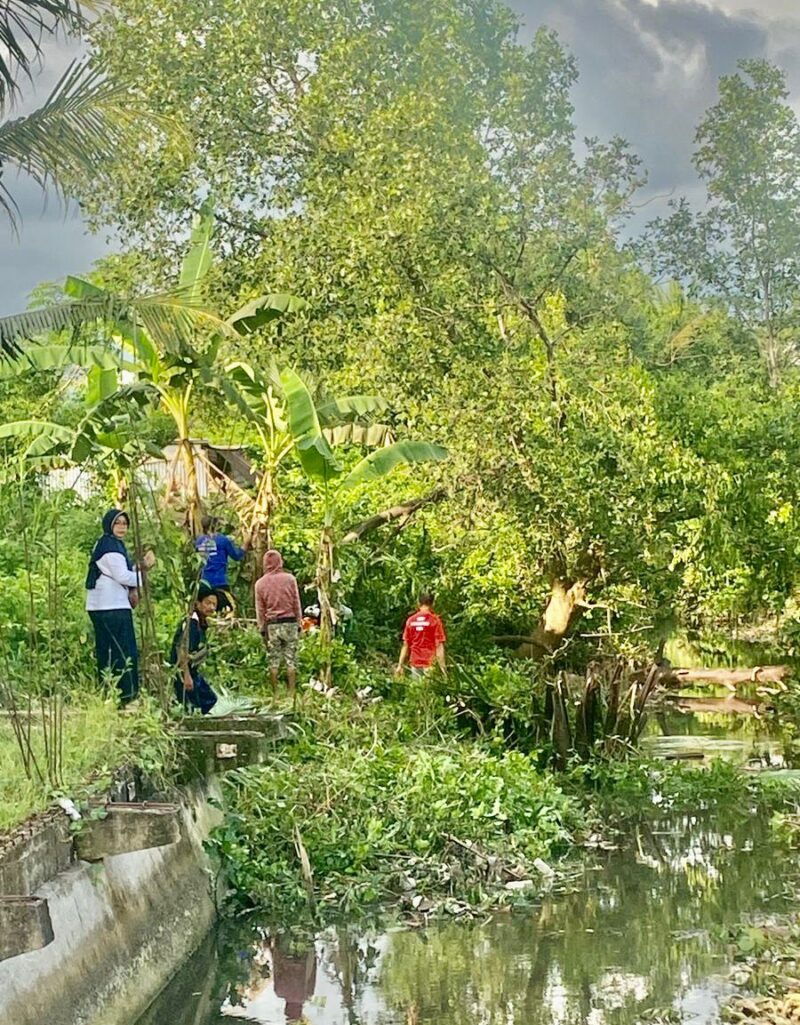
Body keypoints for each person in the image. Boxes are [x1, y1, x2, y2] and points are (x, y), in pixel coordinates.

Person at [85, 509, 156, 706]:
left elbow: (123, 572)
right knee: (123, 650)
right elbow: (123, 576)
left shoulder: (107, 544)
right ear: (110, 525)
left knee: (106, 650)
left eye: (125, 523)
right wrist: (144, 577)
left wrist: (139, 569)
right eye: (118, 523)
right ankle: (126, 695)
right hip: (112, 605)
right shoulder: (111, 548)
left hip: (102, 605)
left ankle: (108, 693)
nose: (122, 527)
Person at [255, 550, 302, 700]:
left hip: (272, 626)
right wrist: (299, 623)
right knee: (291, 659)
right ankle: (291, 693)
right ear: (280, 561)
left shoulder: (260, 584)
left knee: (273, 660)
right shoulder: (290, 579)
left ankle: (275, 694)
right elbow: (296, 603)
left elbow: (260, 610)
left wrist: (262, 629)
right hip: (290, 622)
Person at [170, 583, 219, 714]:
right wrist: (186, 676)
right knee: (194, 706)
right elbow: (182, 649)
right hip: (182, 672)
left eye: (214, 604)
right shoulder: (191, 624)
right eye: (208, 603)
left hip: (191, 672)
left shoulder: (199, 623)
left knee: (209, 699)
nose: (211, 607)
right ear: (197, 604)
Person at [194, 516, 250, 612]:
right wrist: (246, 543)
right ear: (215, 526)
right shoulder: (222, 540)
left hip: (204, 582)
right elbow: (237, 556)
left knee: (204, 612)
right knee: (226, 611)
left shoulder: (199, 541)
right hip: (219, 582)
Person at [395, 593, 447, 677]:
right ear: (433, 604)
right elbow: (439, 646)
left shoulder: (410, 620)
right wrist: (443, 668)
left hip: (415, 661)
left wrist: (400, 665)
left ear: (418, 603)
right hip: (430, 662)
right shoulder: (435, 620)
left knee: (416, 688)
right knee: (429, 689)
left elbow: (405, 645)